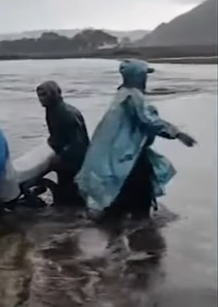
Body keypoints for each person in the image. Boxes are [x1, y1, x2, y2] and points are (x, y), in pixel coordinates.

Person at [76, 59, 197, 222]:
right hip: (127, 155)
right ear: (136, 76)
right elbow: (149, 120)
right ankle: (138, 229)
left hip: (122, 153)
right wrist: (177, 133)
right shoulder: (133, 96)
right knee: (138, 193)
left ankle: (119, 227)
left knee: (121, 192)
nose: (145, 80)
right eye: (144, 75)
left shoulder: (122, 94)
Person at [36, 80, 90, 206]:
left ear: (54, 94)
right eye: (39, 96)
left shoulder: (67, 114)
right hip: (65, 154)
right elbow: (57, 135)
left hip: (75, 160)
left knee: (71, 193)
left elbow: (79, 143)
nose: (41, 99)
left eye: (44, 95)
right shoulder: (52, 109)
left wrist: (61, 156)